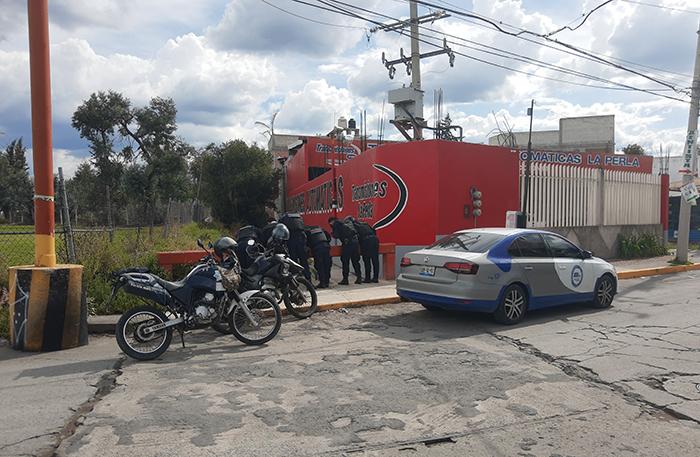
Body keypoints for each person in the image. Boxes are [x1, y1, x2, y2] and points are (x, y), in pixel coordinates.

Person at [328, 216, 362, 285]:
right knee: (355, 261)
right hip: (355, 243)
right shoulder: (344, 223)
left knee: (345, 261)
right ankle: (359, 278)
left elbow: (336, 235)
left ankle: (345, 279)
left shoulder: (336, 224)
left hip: (347, 244)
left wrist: (332, 233)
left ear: (331, 221)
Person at [279, 213, 311, 280]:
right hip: (300, 242)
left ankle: (295, 280)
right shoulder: (299, 219)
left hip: (291, 241)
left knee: (293, 262)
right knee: (304, 261)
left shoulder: (284, 219)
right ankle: (308, 279)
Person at [351, 218, 380, 283]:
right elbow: (374, 231)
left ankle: (368, 278)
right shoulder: (365, 224)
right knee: (375, 260)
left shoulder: (354, 226)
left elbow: (357, 237)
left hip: (366, 241)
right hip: (375, 240)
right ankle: (376, 278)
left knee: (367, 260)